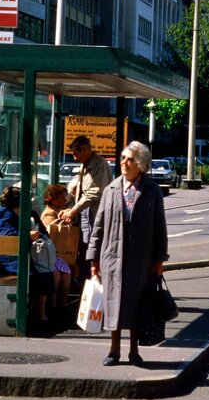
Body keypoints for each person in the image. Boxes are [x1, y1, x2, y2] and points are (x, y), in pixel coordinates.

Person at [88, 141, 168, 367]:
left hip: (141, 258)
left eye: (130, 159)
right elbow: (99, 227)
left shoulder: (152, 190)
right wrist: (94, 259)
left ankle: (134, 351)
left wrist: (160, 258)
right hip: (112, 256)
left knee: (136, 304)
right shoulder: (111, 189)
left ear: (140, 164)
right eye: (123, 158)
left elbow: (160, 226)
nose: (124, 163)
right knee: (114, 303)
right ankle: (114, 351)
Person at [0, 184, 55, 326]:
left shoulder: (11, 213)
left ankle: (36, 313)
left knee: (42, 272)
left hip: (11, 259)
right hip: (3, 263)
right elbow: (7, 237)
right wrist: (27, 235)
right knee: (38, 274)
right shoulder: (4, 215)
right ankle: (36, 314)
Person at [59, 136, 113, 279]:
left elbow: (93, 193)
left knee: (92, 250)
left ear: (85, 149)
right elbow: (81, 192)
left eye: (76, 154)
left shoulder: (99, 164)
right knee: (85, 251)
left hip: (95, 216)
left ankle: (94, 284)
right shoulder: (85, 163)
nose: (75, 158)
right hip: (85, 216)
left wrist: (74, 210)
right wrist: (70, 207)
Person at [41, 183, 80, 315]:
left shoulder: (58, 211)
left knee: (66, 274)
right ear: (52, 198)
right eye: (62, 198)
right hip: (50, 255)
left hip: (57, 255)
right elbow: (52, 234)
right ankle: (54, 307)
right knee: (60, 275)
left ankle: (60, 307)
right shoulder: (49, 214)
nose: (64, 200)